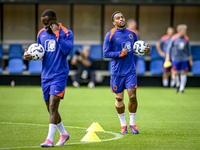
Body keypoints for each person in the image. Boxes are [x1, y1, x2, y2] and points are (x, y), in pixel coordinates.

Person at [24, 9, 73, 147]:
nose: (45, 27)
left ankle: (49, 140)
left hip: (59, 74)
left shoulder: (67, 32)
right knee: (50, 108)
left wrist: (58, 35)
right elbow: (41, 53)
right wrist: (31, 56)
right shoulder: (41, 33)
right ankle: (64, 134)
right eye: (43, 24)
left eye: (47, 24)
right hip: (46, 75)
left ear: (54, 20)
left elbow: (66, 51)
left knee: (53, 105)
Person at [103, 11, 150, 134]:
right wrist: (120, 53)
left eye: (122, 17)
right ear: (114, 22)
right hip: (117, 72)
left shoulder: (132, 33)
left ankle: (132, 123)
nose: (121, 19)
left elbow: (135, 49)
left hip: (130, 70)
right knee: (119, 99)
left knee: (133, 96)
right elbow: (106, 53)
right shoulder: (110, 35)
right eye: (118, 18)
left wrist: (144, 50)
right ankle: (123, 124)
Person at [165, 24, 193, 93]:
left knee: (183, 72)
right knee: (175, 73)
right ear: (180, 31)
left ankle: (182, 88)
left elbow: (188, 50)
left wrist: (190, 59)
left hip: (184, 58)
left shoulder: (186, 39)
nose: (185, 32)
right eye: (184, 30)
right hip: (175, 58)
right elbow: (169, 48)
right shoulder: (174, 38)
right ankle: (177, 84)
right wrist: (167, 57)